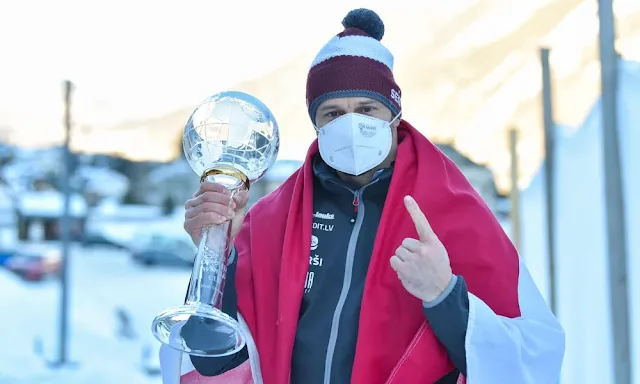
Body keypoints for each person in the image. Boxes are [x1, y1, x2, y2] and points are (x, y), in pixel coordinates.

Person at [164, 8, 565, 384]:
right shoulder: (272, 220)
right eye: (333, 113)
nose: (351, 124)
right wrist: (218, 252)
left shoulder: (454, 211)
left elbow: (531, 359)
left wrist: (446, 297)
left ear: (393, 114)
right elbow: (214, 361)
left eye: (367, 109)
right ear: (316, 124)